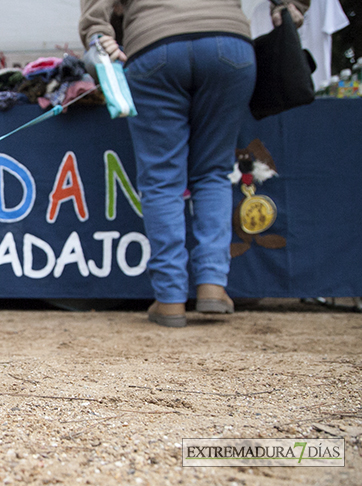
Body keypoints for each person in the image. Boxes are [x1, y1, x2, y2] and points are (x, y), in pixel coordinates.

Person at [79, 0, 308, 327]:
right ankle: (213, 286)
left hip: (153, 44)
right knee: (213, 172)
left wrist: (98, 33)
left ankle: (170, 299)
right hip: (228, 41)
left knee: (160, 180)